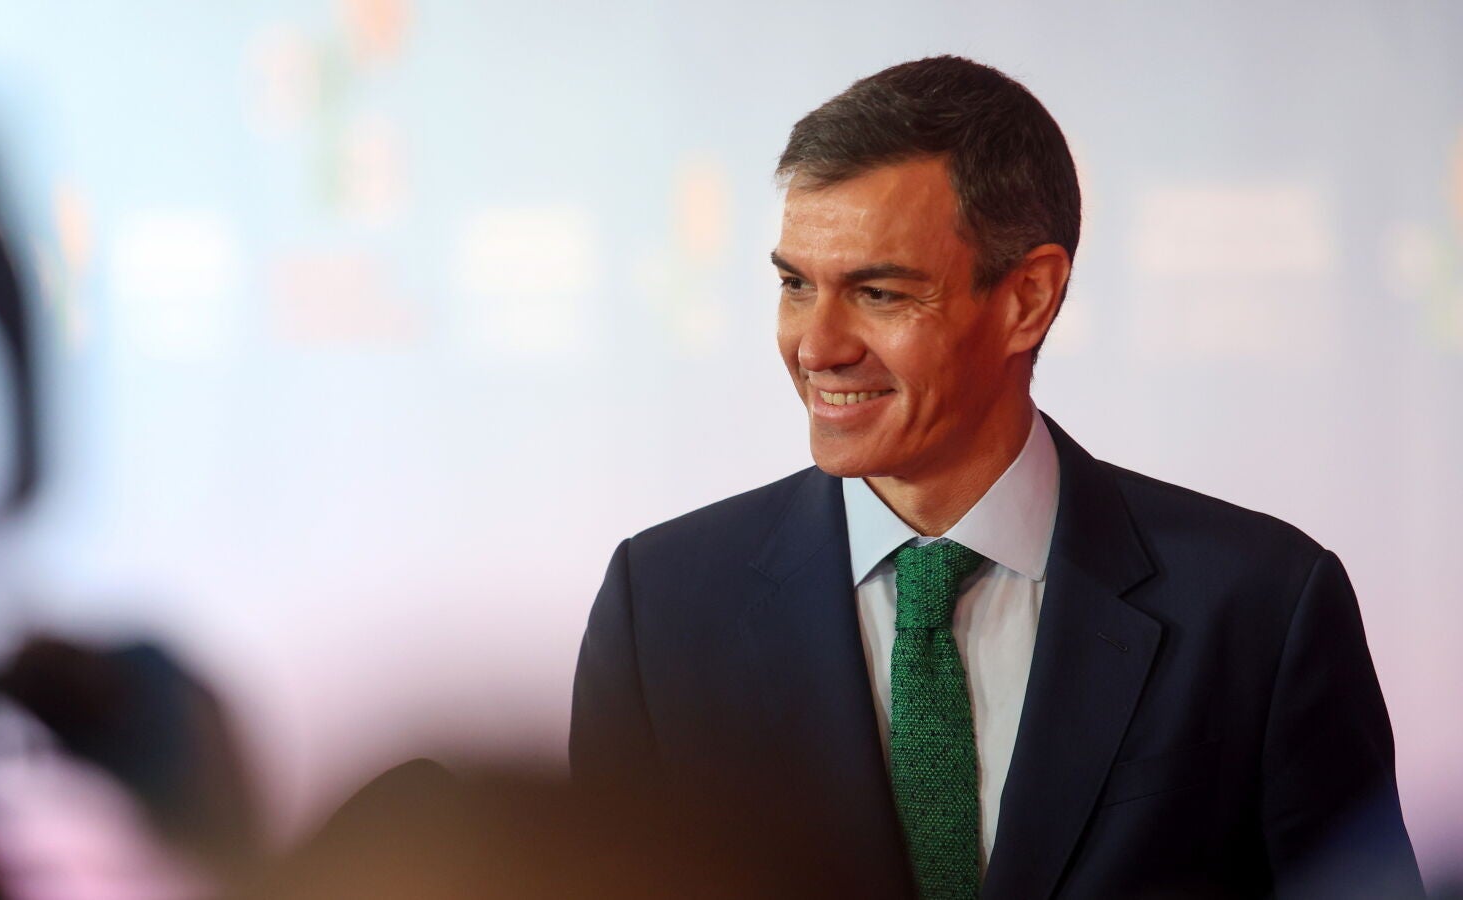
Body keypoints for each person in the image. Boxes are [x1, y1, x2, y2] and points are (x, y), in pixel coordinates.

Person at [569, 56, 1424, 899]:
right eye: (796, 285)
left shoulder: (1260, 606)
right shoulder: (663, 609)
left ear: (1028, 298)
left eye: (878, 293)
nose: (816, 346)